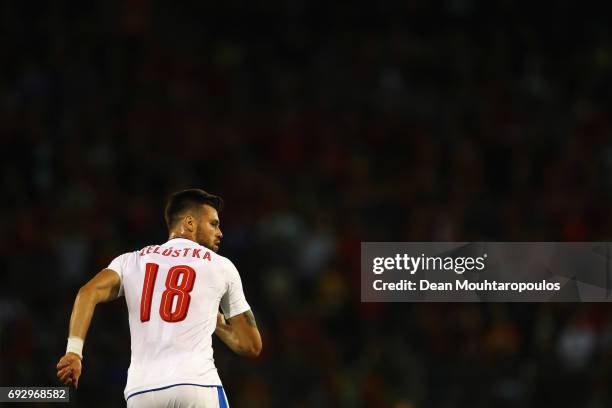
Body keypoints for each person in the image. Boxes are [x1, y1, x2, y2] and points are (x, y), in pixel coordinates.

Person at [56, 188, 262, 407]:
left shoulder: (131, 261)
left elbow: (87, 293)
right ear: (190, 223)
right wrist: (217, 323)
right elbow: (251, 345)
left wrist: (74, 353)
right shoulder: (221, 266)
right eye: (213, 224)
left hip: (141, 392)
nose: (220, 232)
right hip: (196, 386)